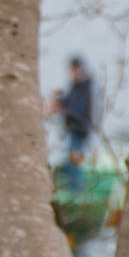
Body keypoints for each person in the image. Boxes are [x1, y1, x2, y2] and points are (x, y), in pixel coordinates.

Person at [48, 57, 93, 189]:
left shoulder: (82, 87)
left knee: (74, 162)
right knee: (71, 159)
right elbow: (71, 103)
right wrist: (60, 102)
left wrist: (61, 106)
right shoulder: (78, 86)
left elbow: (76, 108)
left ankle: (76, 190)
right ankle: (72, 187)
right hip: (74, 128)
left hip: (78, 128)